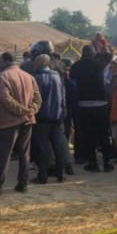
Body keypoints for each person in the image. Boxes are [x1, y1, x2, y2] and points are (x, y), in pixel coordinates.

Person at [0, 52, 41, 195]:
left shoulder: (4, 77)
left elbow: (5, 99)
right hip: (27, 120)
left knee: (3, 154)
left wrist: (22, 111)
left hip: (9, 121)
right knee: (24, 153)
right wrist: (31, 110)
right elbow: (38, 98)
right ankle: (23, 183)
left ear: (6, 61)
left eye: (0, 61)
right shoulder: (29, 77)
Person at [70, 45, 114, 172]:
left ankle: (93, 163)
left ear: (82, 54)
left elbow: (72, 77)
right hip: (101, 103)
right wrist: (98, 54)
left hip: (84, 104)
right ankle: (106, 162)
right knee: (104, 133)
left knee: (88, 134)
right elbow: (109, 56)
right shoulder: (99, 63)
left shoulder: (76, 66)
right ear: (93, 53)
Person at [31, 54, 67, 184]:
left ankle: (43, 175)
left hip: (42, 116)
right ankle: (61, 174)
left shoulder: (37, 78)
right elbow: (63, 96)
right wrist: (63, 110)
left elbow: (35, 98)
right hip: (57, 116)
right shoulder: (58, 76)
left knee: (42, 147)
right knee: (58, 146)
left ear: (39, 64)